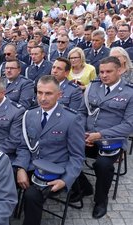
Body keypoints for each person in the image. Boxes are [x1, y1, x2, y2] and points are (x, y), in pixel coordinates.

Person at [15, 75, 85, 225]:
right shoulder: (30, 115)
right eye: (39, 93)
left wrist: (65, 181)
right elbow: (23, 146)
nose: (42, 98)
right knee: (1, 179)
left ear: (59, 95)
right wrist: (20, 168)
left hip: (54, 171)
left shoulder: (71, 119)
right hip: (30, 166)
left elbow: (77, 156)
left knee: (31, 195)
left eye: (48, 93)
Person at [76, 56, 133, 219]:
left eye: (109, 71)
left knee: (102, 165)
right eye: (101, 71)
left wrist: (99, 135)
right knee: (61, 150)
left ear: (120, 71)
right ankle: (83, 187)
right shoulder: (93, 87)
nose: (104, 75)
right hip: (87, 136)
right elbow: (81, 112)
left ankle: (101, 200)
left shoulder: (129, 92)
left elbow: (129, 125)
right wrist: (82, 132)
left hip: (111, 141)